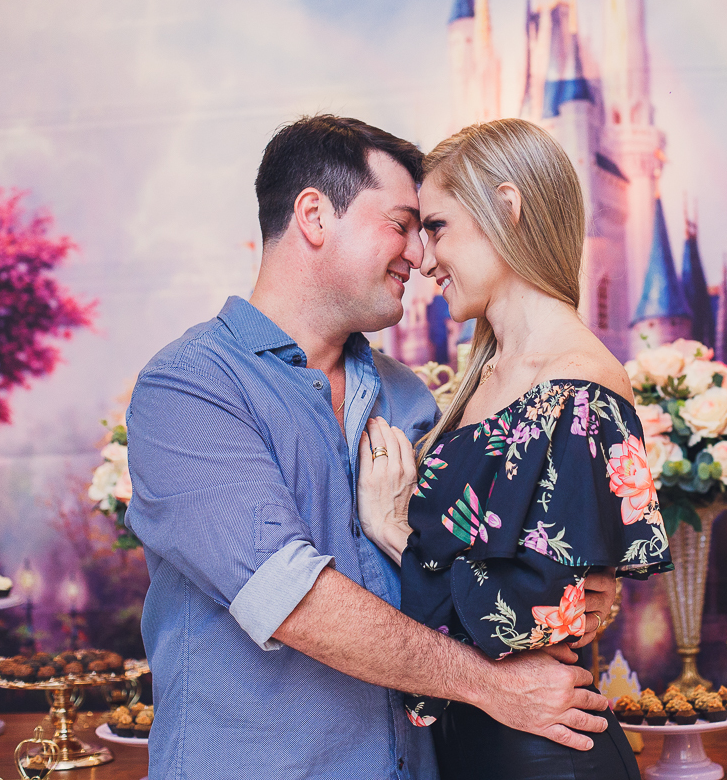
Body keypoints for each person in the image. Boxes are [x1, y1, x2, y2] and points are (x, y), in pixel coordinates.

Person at [125, 115, 617, 780]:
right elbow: (289, 598)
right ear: (314, 216)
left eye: (429, 229)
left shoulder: (409, 396)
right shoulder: (190, 387)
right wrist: (493, 685)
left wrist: (564, 587)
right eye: (402, 224)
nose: (420, 255)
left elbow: (468, 577)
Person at [356, 118, 673, 780]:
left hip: (544, 757)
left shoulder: (582, 385)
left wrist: (392, 529)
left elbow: (536, 613)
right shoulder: (485, 380)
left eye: (437, 227)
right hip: (476, 744)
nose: (423, 259)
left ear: (506, 207)